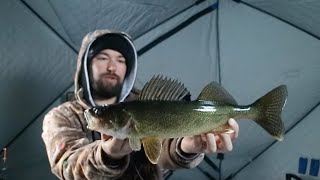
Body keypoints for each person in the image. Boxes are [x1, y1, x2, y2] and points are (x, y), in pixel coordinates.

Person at [41, 29, 239, 180]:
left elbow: (161, 151)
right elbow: (67, 167)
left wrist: (186, 147)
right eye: (102, 57)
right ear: (85, 64)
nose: (112, 66)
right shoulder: (62, 116)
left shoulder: (147, 103)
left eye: (121, 60)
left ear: (128, 68)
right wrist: (107, 154)